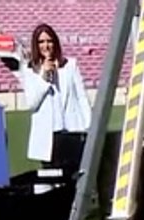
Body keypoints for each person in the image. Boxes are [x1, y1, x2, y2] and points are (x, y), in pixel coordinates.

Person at [19, 24, 91, 167]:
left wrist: (89, 125)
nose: (46, 46)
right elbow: (32, 103)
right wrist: (44, 77)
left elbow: (82, 97)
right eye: (41, 42)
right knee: (51, 178)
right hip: (48, 137)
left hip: (72, 132)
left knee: (75, 176)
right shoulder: (29, 70)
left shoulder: (70, 65)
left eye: (49, 41)